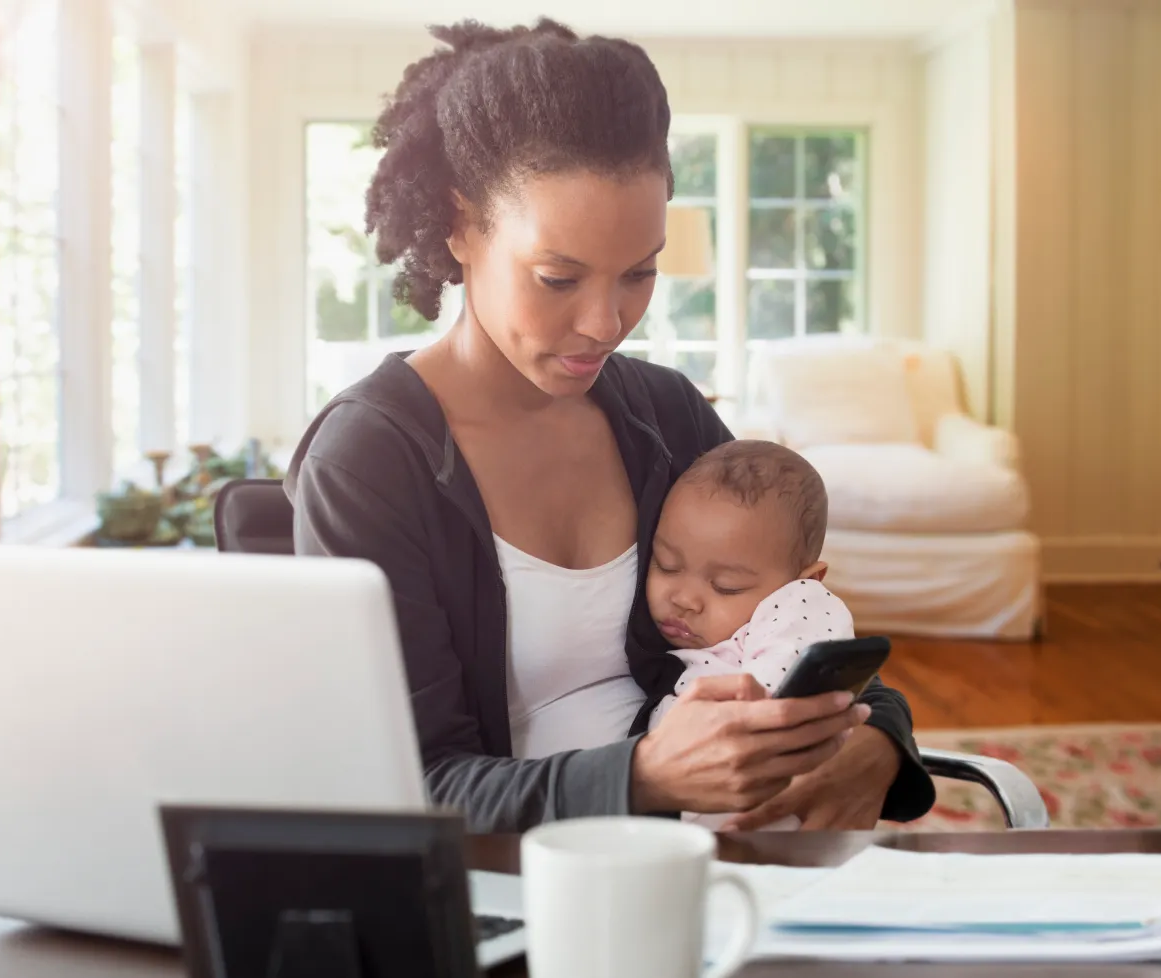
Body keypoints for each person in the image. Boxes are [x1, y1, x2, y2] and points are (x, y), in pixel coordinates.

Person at [284, 18, 935, 832]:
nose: (606, 322)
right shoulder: (372, 461)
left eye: (640, 272)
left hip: (706, 864)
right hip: (520, 892)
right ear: (460, 225)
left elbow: (785, 623)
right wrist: (646, 778)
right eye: (559, 278)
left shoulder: (663, 413)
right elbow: (408, 782)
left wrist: (883, 742)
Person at [645, 440, 857, 831]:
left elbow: (777, 699)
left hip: (762, 834)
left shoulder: (801, 606)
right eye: (667, 565)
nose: (684, 599)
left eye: (726, 586)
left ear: (804, 580)